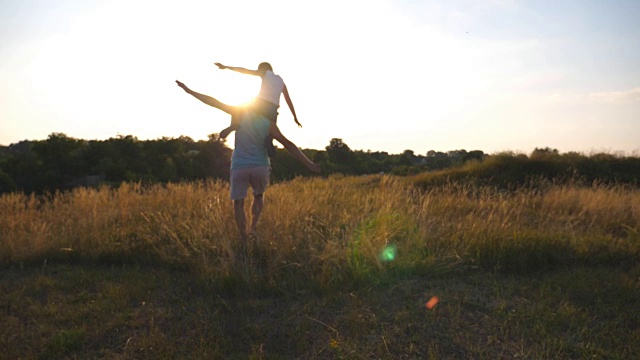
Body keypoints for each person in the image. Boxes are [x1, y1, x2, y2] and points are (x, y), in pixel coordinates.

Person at [175, 80, 320, 243]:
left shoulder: (238, 114)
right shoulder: (268, 123)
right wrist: (309, 163)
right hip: (261, 166)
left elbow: (213, 102)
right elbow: (288, 144)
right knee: (258, 197)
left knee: (238, 203)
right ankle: (253, 229)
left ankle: (243, 238)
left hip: (239, 166)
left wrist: (189, 91)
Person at [215, 62, 301, 157]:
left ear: (264, 68)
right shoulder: (281, 81)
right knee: (271, 128)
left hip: (260, 105)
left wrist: (226, 67)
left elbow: (244, 71)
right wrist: (295, 117)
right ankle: (270, 140)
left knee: (240, 108)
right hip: (273, 111)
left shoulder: (265, 73)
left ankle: (234, 124)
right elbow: (288, 100)